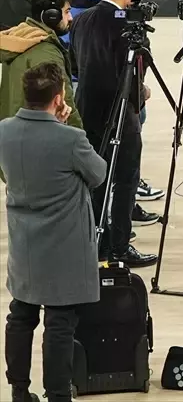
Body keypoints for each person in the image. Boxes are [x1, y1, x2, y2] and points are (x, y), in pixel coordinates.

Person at [0, 62, 106, 402]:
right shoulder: (71, 139)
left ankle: (18, 390)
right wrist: (63, 127)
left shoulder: (3, 130)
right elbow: (99, 173)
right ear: (59, 98)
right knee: (60, 323)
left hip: (24, 243)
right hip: (66, 246)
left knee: (21, 314)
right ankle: (58, 395)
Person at [70, 0, 158, 268]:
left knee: (95, 179)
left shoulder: (81, 20)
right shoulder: (126, 27)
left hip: (86, 110)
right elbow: (133, 69)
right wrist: (142, 92)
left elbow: (75, 66)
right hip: (120, 113)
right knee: (125, 181)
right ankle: (120, 247)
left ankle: (95, 242)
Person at [0, 0, 82, 129]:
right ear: (52, 16)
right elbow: (65, 102)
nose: (71, 18)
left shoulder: (19, 37)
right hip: (38, 137)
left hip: (12, 136)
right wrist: (80, 138)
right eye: (67, 12)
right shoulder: (47, 52)